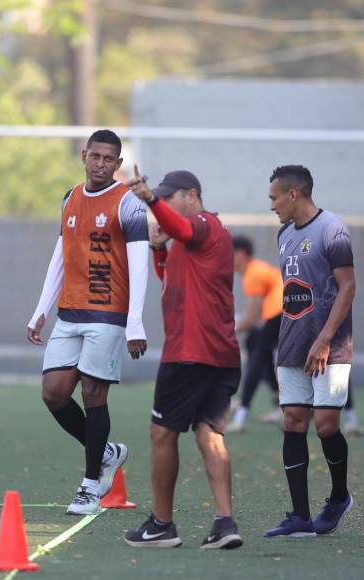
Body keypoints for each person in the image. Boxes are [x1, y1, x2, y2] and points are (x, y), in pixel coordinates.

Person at [27, 130, 148, 516]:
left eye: (108, 159)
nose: (100, 164)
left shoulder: (129, 204)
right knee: (54, 394)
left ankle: (90, 487)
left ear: (118, 163)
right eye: (94, 156)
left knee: (94, 394)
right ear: (84, 156)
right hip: (70, 312)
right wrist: (41, 309)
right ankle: (107, 453)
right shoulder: (70, 198)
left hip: (108, 315)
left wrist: (135, 324)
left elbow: (140, 266)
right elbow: (60, 256)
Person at [122, 168, 244, 550]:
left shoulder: (204, 225)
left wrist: (149, 200)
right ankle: (224, 523)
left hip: (191, 352)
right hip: (219, 354)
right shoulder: (194, 239)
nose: (162, 206)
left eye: (167, 198)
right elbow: (172, 281)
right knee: (209, 435)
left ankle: (162, 524)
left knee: (162, 433)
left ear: (191, 195)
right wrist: (159, 248)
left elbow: (183, 229)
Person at [262, 165, 356, 538]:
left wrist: (325, 339)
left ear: (294, 193)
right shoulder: (284, 234)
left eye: (274, 198)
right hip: (292, 344)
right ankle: (300, 517)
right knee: (292, 421)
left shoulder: (333, 229)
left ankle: (339, 497)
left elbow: (347, 287)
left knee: (327, 424)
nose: (272, 205)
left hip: (333, 347)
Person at [227, 234, 283, 433]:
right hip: (283, 314)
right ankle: (280, 404)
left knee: (257, 357)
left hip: (281, 313)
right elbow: (255, 315)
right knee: (258, 350)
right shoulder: (256, 270)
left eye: (229, 253)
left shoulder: (253, 273)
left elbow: (252, 317)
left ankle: (241, 415)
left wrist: (227, 331)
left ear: (241, 254)